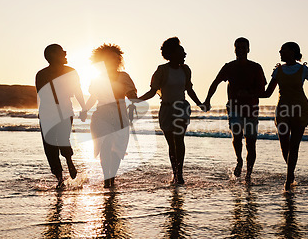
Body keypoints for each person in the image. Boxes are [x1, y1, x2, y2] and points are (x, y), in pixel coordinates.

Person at [262, 42, 308, 192]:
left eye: (283, 50)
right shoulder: (278, 70)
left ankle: (288, 179)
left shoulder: (303, 69)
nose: (280, 52)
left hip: (299, 109)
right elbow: (267, 93)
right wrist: (247, 92)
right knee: (284, 146)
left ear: (292, 52)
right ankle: (291, 173)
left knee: (294, 146)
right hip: (283, 110)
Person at [138, 37, 203, 184]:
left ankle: (179, 174)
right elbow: (153, 91)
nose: (185, 54)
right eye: (181, 51)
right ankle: (175, 172)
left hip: (181, 108)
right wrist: (137, 101)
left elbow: (189, 89)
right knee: (171, 145)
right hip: (166, 109)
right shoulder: (162, 70)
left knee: (179, 141)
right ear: (172, 53)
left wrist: (200, 103)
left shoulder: (185, 70)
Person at [203, 37, 266, 182]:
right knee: (237, 136)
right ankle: (239, 160)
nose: (240, 50)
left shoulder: (256, 67)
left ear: (248, 49)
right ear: (234, 49)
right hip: (234, 108)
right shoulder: (229, 67)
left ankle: (249, 174)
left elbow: (262, 90)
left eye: (243, 47)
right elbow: (215, 83)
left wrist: (249, 93)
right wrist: (207, 99)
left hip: (251, 109)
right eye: (238, 47)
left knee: (251, 143)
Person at [81, 44, 137, 188]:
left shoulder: (124, 77)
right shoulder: (98, 78)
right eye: (109, 58)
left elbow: (132, 95)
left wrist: (135, 100)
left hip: (120, 115)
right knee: (105, 146)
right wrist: (85, 109)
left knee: (117, 148)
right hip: (102, 115)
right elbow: (93, 97)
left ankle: (112, 177)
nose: (114, 60)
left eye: (116, 58)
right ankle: (107, 178)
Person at [36, 43, 86, 188]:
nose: (65, 53)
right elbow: (42, 94)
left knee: (62, 139)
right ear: (53, 56)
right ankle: (59, 178)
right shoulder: (42, 74)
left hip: (62, 111)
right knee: (50, 147)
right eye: (62, 52)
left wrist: (83, 107)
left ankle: (69, 161)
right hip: (49, 113)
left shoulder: (70, 71)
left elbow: (77, 91)